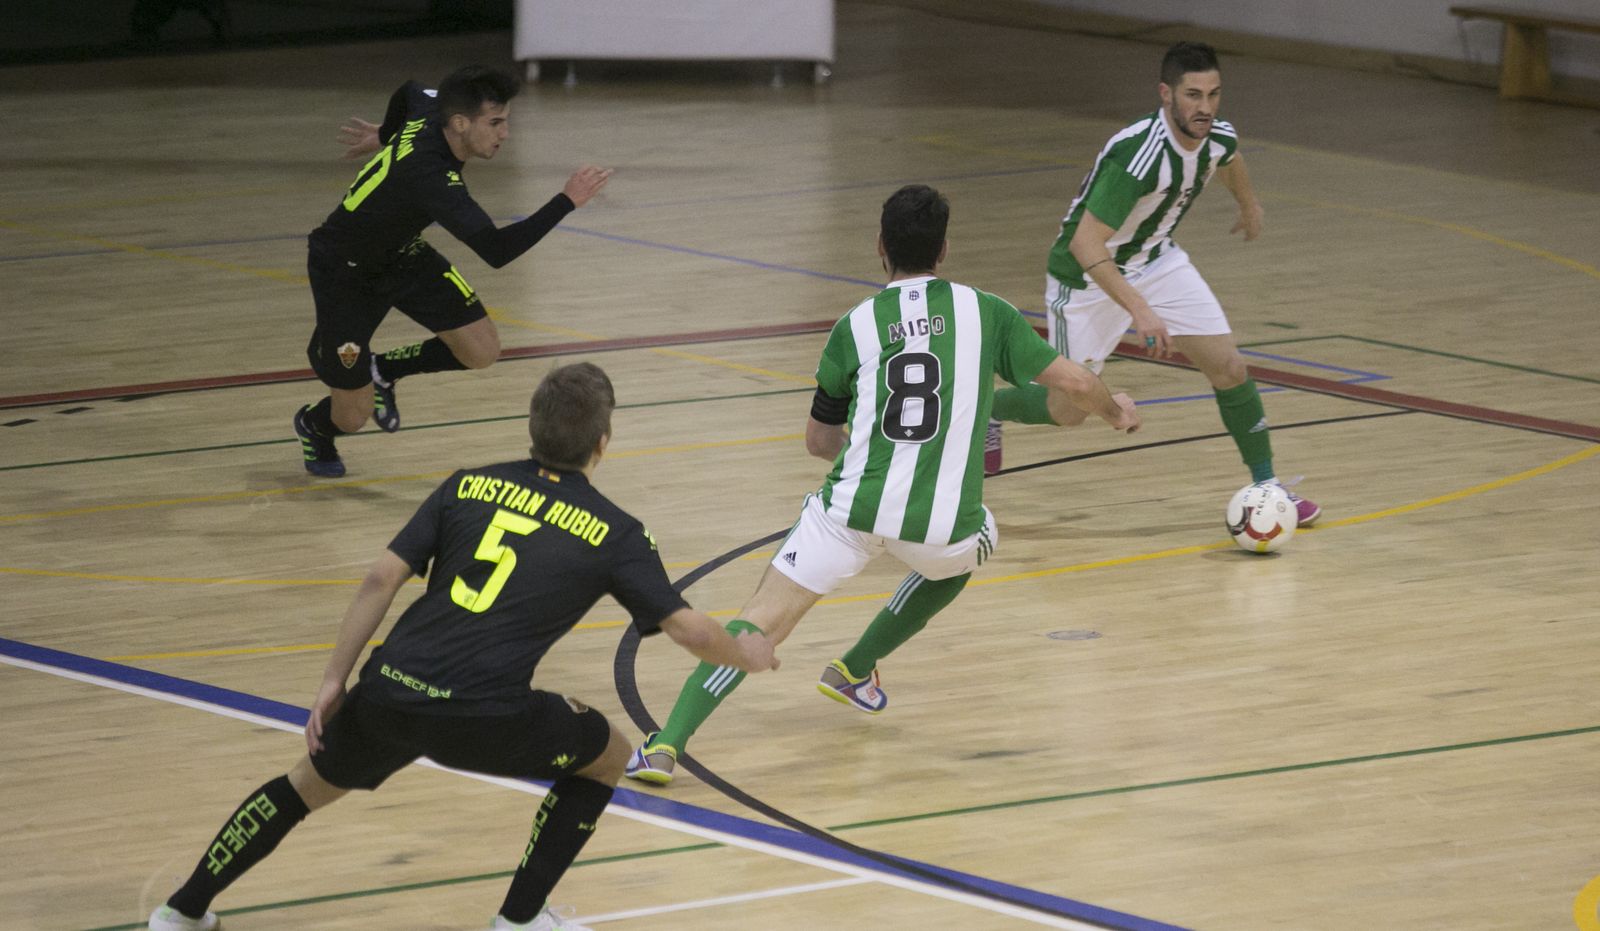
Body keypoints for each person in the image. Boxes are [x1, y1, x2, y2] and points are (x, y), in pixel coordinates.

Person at [148, 363, 778, 931]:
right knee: (609, 754)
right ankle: (520, 921)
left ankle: (182, 910)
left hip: (390, 691)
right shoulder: (616, 532)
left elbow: (379, 579)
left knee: (302, 786)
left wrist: (334, 680)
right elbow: (685, 627)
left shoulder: (465, 485)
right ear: (602, 444)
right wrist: (746, 653)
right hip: (486, 716)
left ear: (531, 429)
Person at [624, 185, 1140, 785]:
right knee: (970, 549)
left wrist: (878, 451)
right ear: (944, 249)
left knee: (759, 622)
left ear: (879, 248)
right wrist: (1115, 410)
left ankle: (665, 745)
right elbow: (1074, 386)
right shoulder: (986, 312)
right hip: (940, 527)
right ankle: (855, 667)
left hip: (849, 508)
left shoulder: (853, 327)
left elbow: (819, 443)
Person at [988, 41, 1320, 525]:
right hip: (1084, 278)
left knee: (1228, 366)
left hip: (1158, 261)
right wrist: (1140, 309)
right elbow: (1085, 245)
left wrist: (1249, 205)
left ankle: (1267, 486)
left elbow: (1228, 158)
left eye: (1213, 94)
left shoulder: (1216, 134)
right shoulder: (1140, 157)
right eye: (1192, 95)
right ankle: (989, 413)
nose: (1204, 107)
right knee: (1069, 410)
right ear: (1166, 94)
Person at [294, 64, 613, 478]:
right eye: (495, 123)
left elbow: (408, 89)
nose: (505, 134)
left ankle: (383, 370)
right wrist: (566, 201)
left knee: (481, 350)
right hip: (344, 268)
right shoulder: (433, 179)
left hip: (401, 252)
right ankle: (314, 425)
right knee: (352, 416)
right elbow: (497, 251)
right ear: (460, 123)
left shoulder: (431, 106)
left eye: (506, 121)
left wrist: (387, 134)